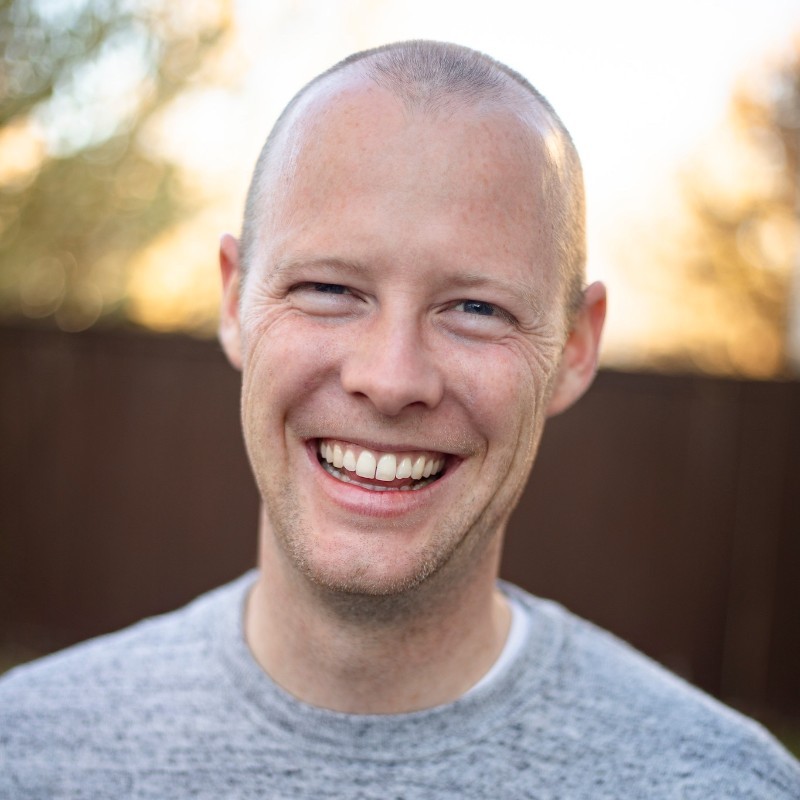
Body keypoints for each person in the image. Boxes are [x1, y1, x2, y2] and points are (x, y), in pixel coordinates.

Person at [1, 40, 798, 799]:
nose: (389, 380)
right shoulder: (28, 755)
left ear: (575, 349)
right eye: (328, 289)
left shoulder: (726, 785)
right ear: (235, 301)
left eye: (476, 308)